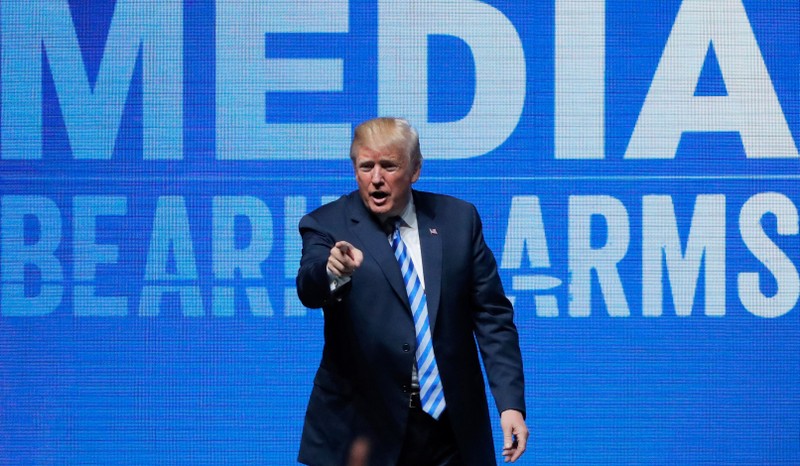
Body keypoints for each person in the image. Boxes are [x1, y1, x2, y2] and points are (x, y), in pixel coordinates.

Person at [296, 117, 528, 465]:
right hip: (363, 429)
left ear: (415, 169)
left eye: (389, 166)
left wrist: (510, 404)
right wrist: (332, 271)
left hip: (449, 428)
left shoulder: (458, 220)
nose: (376, 178)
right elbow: (309, 288)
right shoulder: (327, 223)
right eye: (366, 166)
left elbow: (492, 316)